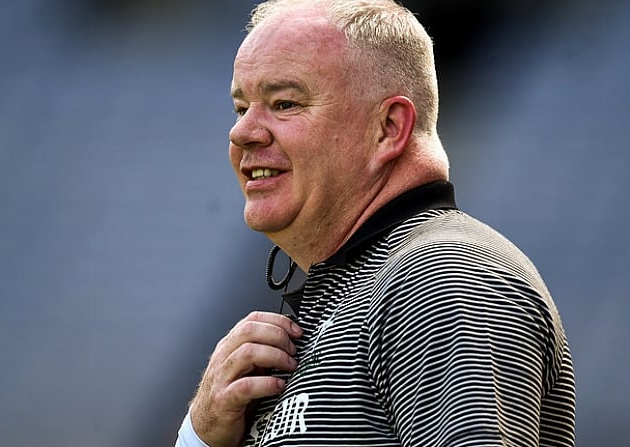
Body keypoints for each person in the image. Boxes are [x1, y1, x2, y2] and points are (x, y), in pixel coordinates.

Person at [175, 0, 576, 445]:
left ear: (388, 127)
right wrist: (201, 434)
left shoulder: (443, 276)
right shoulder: (359, 292)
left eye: (284, 103)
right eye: (240, 108)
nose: (242, 132)